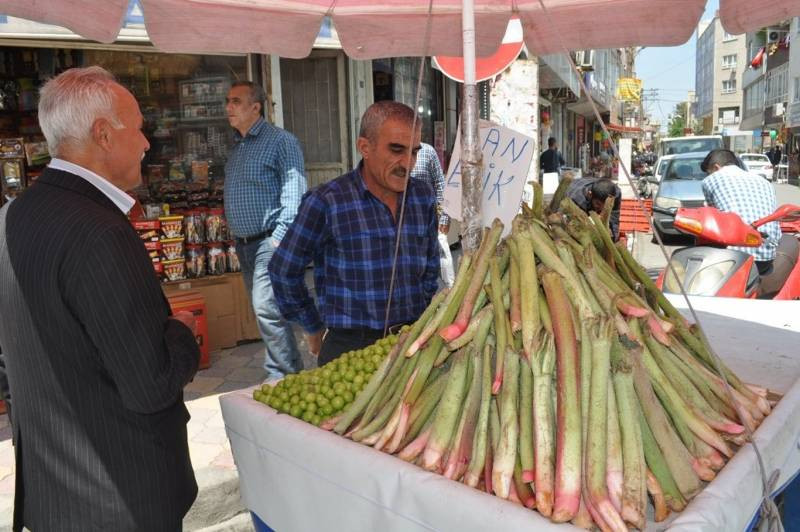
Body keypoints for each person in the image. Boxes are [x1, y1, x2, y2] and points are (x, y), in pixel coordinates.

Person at [0, 66, 200, 531]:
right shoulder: (99, 231)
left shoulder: (10, 216)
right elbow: (151, 386)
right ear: (104, 135)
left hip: (52, 498)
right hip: (119, 501)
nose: (147, 142)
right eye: (140, 128)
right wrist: (181, 333)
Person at [268, 101, 440, 366]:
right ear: (365, 147)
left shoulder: (422, 197)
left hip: (410, 344)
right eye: (396, 149)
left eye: (414, 151)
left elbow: (430, 268)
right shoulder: (327, 201)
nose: (408, 162)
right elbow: (283, 269)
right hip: (349, 350)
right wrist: (311, 325)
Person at [224, 81, 306, 381]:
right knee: (266, 311)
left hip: (267, 241)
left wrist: (278, 239)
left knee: (267, 309)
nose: (228, 107)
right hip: (243, 243)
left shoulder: (280, 141)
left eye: (236, 101)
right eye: (228, 101)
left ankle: (281, 376)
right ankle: (289, 372)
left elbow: (294, 190)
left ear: (255, 107)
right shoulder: (239, 145)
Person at [701, 148, 780, 274]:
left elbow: (714, 219)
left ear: (716, 168)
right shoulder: (765, 182)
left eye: (708, 172)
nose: (708, 176)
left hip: (732, 258)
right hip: (766, 257)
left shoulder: (710, 180)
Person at [409, 142, 455, 287]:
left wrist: (445, 216)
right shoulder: (393, 153)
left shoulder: (428, 151)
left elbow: (440, 184)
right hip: (406, 219)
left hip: (430, 215)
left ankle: (451, 289)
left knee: (441, 251)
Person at [566, 176, 622, 241]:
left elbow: (614, 218)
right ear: (590, 195)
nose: (601, 209)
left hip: (587, 182)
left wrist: (613, 238)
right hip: (573, 190)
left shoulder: (616, 193)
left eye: (605, 206)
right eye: (598, 204)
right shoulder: (577, 200)